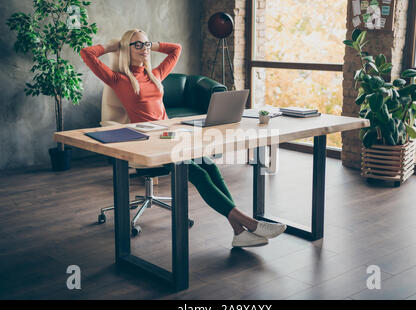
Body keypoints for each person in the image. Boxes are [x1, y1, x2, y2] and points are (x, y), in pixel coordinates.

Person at [80, 29, 286, 247]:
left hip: (171, 134)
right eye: (138, 45)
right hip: (149, 142)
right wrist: (114, 47)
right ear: (126, 49)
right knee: (197, 172)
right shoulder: (118, 79)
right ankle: (250, 224)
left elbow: (176, 49)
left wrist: (152, 44)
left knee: (209, 165)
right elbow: (87, 53)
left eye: (146, 45)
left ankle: (238, 231)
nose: (145, 49)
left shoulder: (155, 75)